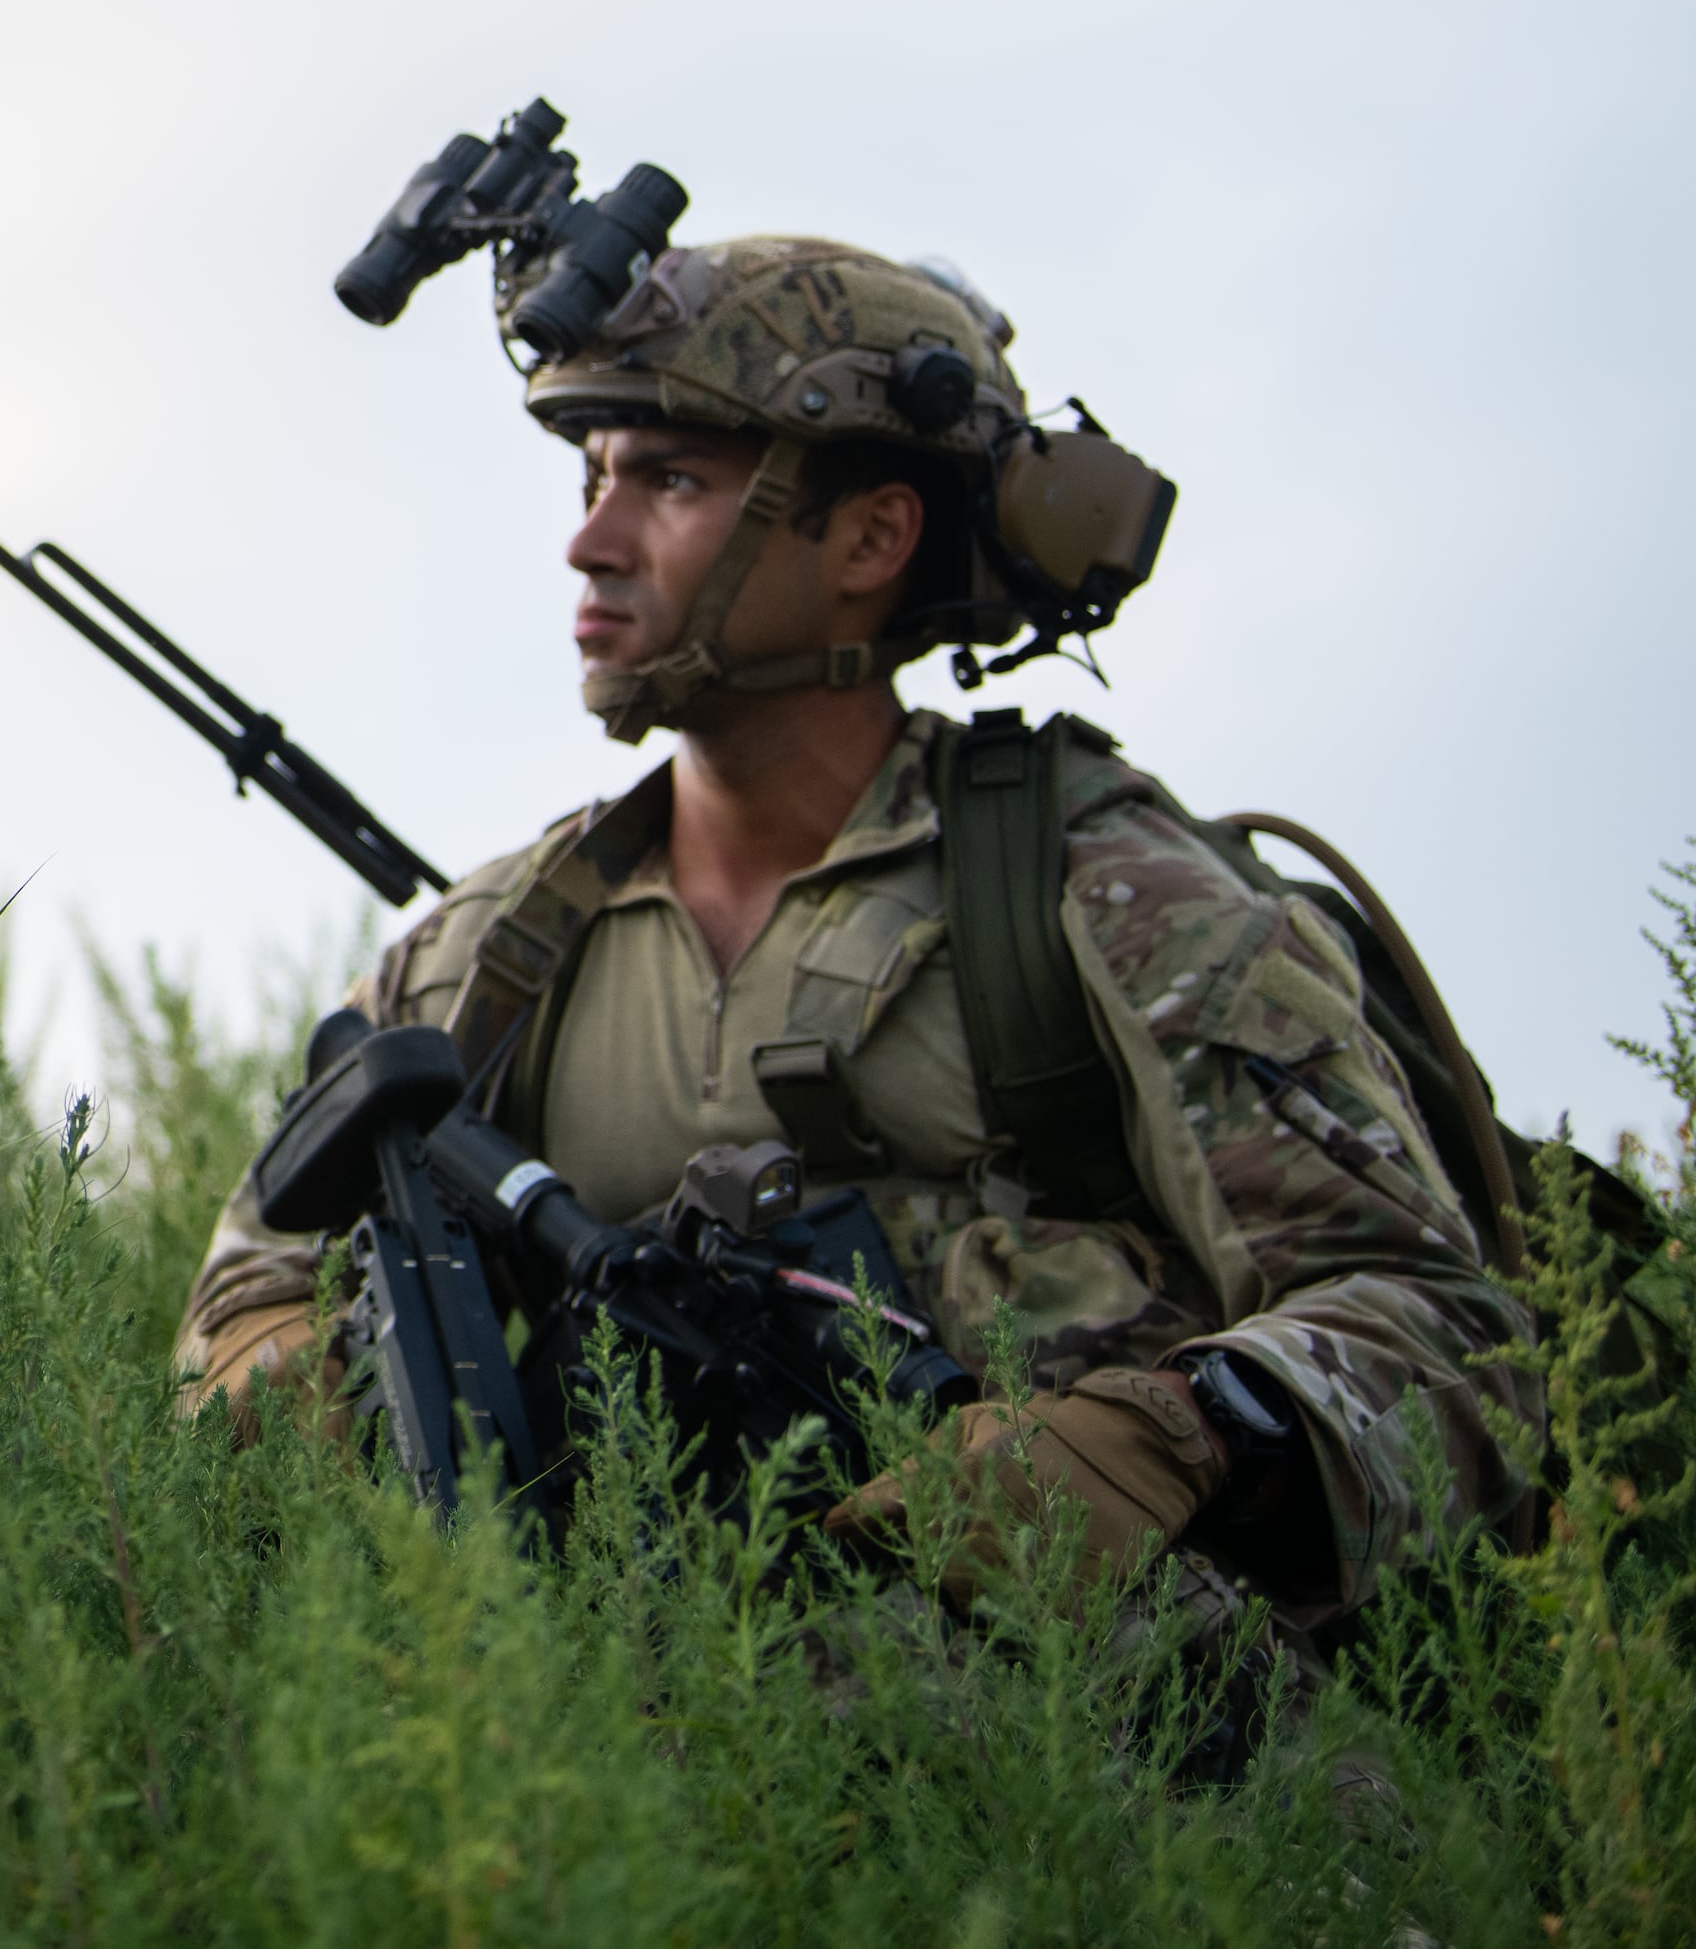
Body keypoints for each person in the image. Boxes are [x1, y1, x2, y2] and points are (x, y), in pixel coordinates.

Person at [174, 234, 1539, 1638]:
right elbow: (248, 1290)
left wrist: (1169, 1435)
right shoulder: (480, 961)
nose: (592, 537)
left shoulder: (1104, 894)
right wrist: (291, 1377)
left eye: (675, 479)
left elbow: (1452, 1335)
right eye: (594, 476)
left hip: (1122, 1752)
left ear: (873, 539)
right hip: (606, 1757)